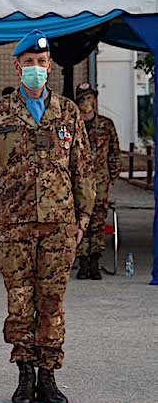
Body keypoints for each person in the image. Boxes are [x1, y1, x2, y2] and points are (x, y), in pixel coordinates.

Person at [0, 30, 95, 403]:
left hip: (60, 224)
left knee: (52, 301)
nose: (36, 69)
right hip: (13, 224)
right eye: (28, 63)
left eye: (41, 63)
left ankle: (49, 375)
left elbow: (83, 168)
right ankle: (24, 374)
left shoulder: (68, 112)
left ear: (50, 66)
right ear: (17, 67)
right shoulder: (0, 113)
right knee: (19, 299)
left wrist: (83, 220)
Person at [75, 82, 121, 280]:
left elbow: (115, 154)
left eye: (89, 98)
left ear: (95, 100)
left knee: (98, 222)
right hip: (78, 182)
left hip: (101, 181)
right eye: (83, 99)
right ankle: (82, 264)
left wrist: (112, 179)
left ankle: (95, 263)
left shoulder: (106, 125)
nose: (87, 102)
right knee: (80, 221)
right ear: (78, 102)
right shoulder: (72, 124)